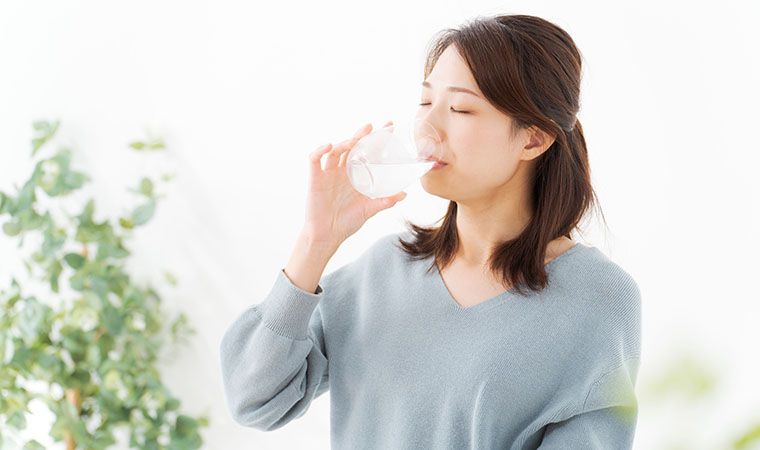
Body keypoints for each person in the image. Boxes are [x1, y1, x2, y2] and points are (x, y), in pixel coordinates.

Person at [220, 13, 641, 450]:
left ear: (533, 139)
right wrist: (315, 243)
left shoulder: (598, 298)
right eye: (426, 103)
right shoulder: (381, 273)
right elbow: (255, 400)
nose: (427, 129)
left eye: (460, 108)